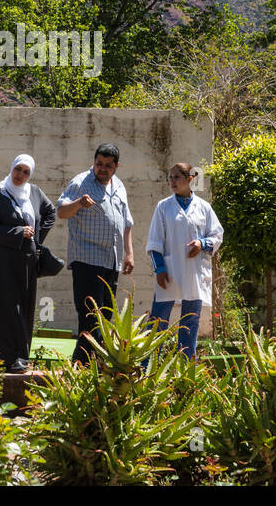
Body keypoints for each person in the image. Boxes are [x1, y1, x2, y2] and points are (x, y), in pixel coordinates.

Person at [56, 143, 134, 365]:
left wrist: (129, 253)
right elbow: (61, 211)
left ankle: (89, 367)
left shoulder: (119, 186)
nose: (102, 168)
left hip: (112, 262)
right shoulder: (81, 182)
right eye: (99, 163)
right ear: (94, 161)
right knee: (91, 318)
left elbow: (126, 223)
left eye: (108, 165)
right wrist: (78, 203)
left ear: (116, 166)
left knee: (106, 318)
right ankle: (84, 369)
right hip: (87, 260)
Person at [0, 154, 57, 374]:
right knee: (3, 306)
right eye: (18, 169)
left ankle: (20, 358)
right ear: (12, 167)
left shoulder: (34, 192)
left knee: (24, 307)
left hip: (27, 259)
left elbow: (51, 212)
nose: (20, 175)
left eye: (26, 172)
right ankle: (0, 357)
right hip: (2, 259)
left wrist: (35, 239)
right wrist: (18, 232)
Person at [147, 162, 224, 359]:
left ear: (190, 179)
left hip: (193, 271)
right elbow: (155, 241)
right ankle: (148, 365)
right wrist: (160, 269)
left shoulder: (204, 208)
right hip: (170, 271)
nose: (172, 181)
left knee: (190, 321)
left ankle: (187, 365)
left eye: (177, 177)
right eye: (170, 177)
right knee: (158, 320)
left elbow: (217, 235)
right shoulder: (163, 207)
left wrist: (202, 243)